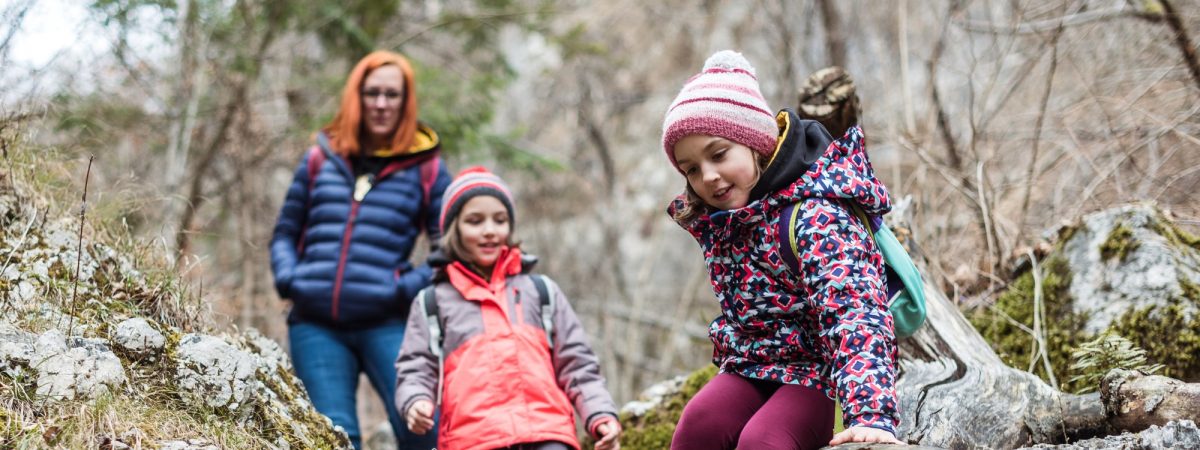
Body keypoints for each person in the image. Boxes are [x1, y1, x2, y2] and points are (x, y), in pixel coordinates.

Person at [661, 50, 902, 449]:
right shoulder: (726, 220)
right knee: (698, 427)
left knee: (764, 442)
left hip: (822, 372)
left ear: (755, 142)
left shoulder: (813, 215)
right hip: (754, 363)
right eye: (690, 169)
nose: (708, 176)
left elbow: (855, 311)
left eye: (719, 154)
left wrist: (871, 414)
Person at [270, 50, 450, 449]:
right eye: (373, 93)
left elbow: (448, 248)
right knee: (337, 437)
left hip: (388, 322)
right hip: (316, 325)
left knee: (424, 430)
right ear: (357, 97)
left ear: (406, 101)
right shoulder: (321, 158)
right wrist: (290, 279)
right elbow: (285, 232)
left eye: (392, 94)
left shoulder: (427, 168)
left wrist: (403, 288)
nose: (382, 104)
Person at [395, 167, 622, 450]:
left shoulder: (541, 292)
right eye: (475, 221)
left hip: (547, 435)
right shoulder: (432, 302)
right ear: (454, 229)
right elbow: (416, 368)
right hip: (472, 441)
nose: (490, 230)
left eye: (499, 220)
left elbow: (578, 365)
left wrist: (599, 414)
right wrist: (416, 400)